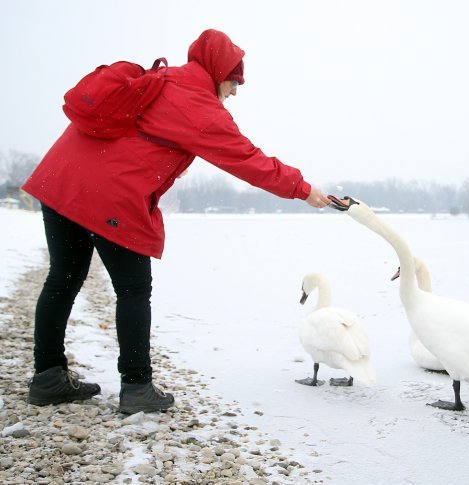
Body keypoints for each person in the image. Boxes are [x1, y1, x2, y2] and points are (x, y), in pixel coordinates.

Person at [22, 29, 331, 414]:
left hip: (60, 178)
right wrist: (303, 189)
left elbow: (137, 136)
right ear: (218, 72)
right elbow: (247, 160)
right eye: (234, 80)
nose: (236, 90)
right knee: (134, 289)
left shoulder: (162, 78)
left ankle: (47, 377)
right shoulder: (197, 104)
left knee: (63, 276)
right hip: (107, 196)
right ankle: (136, 386)